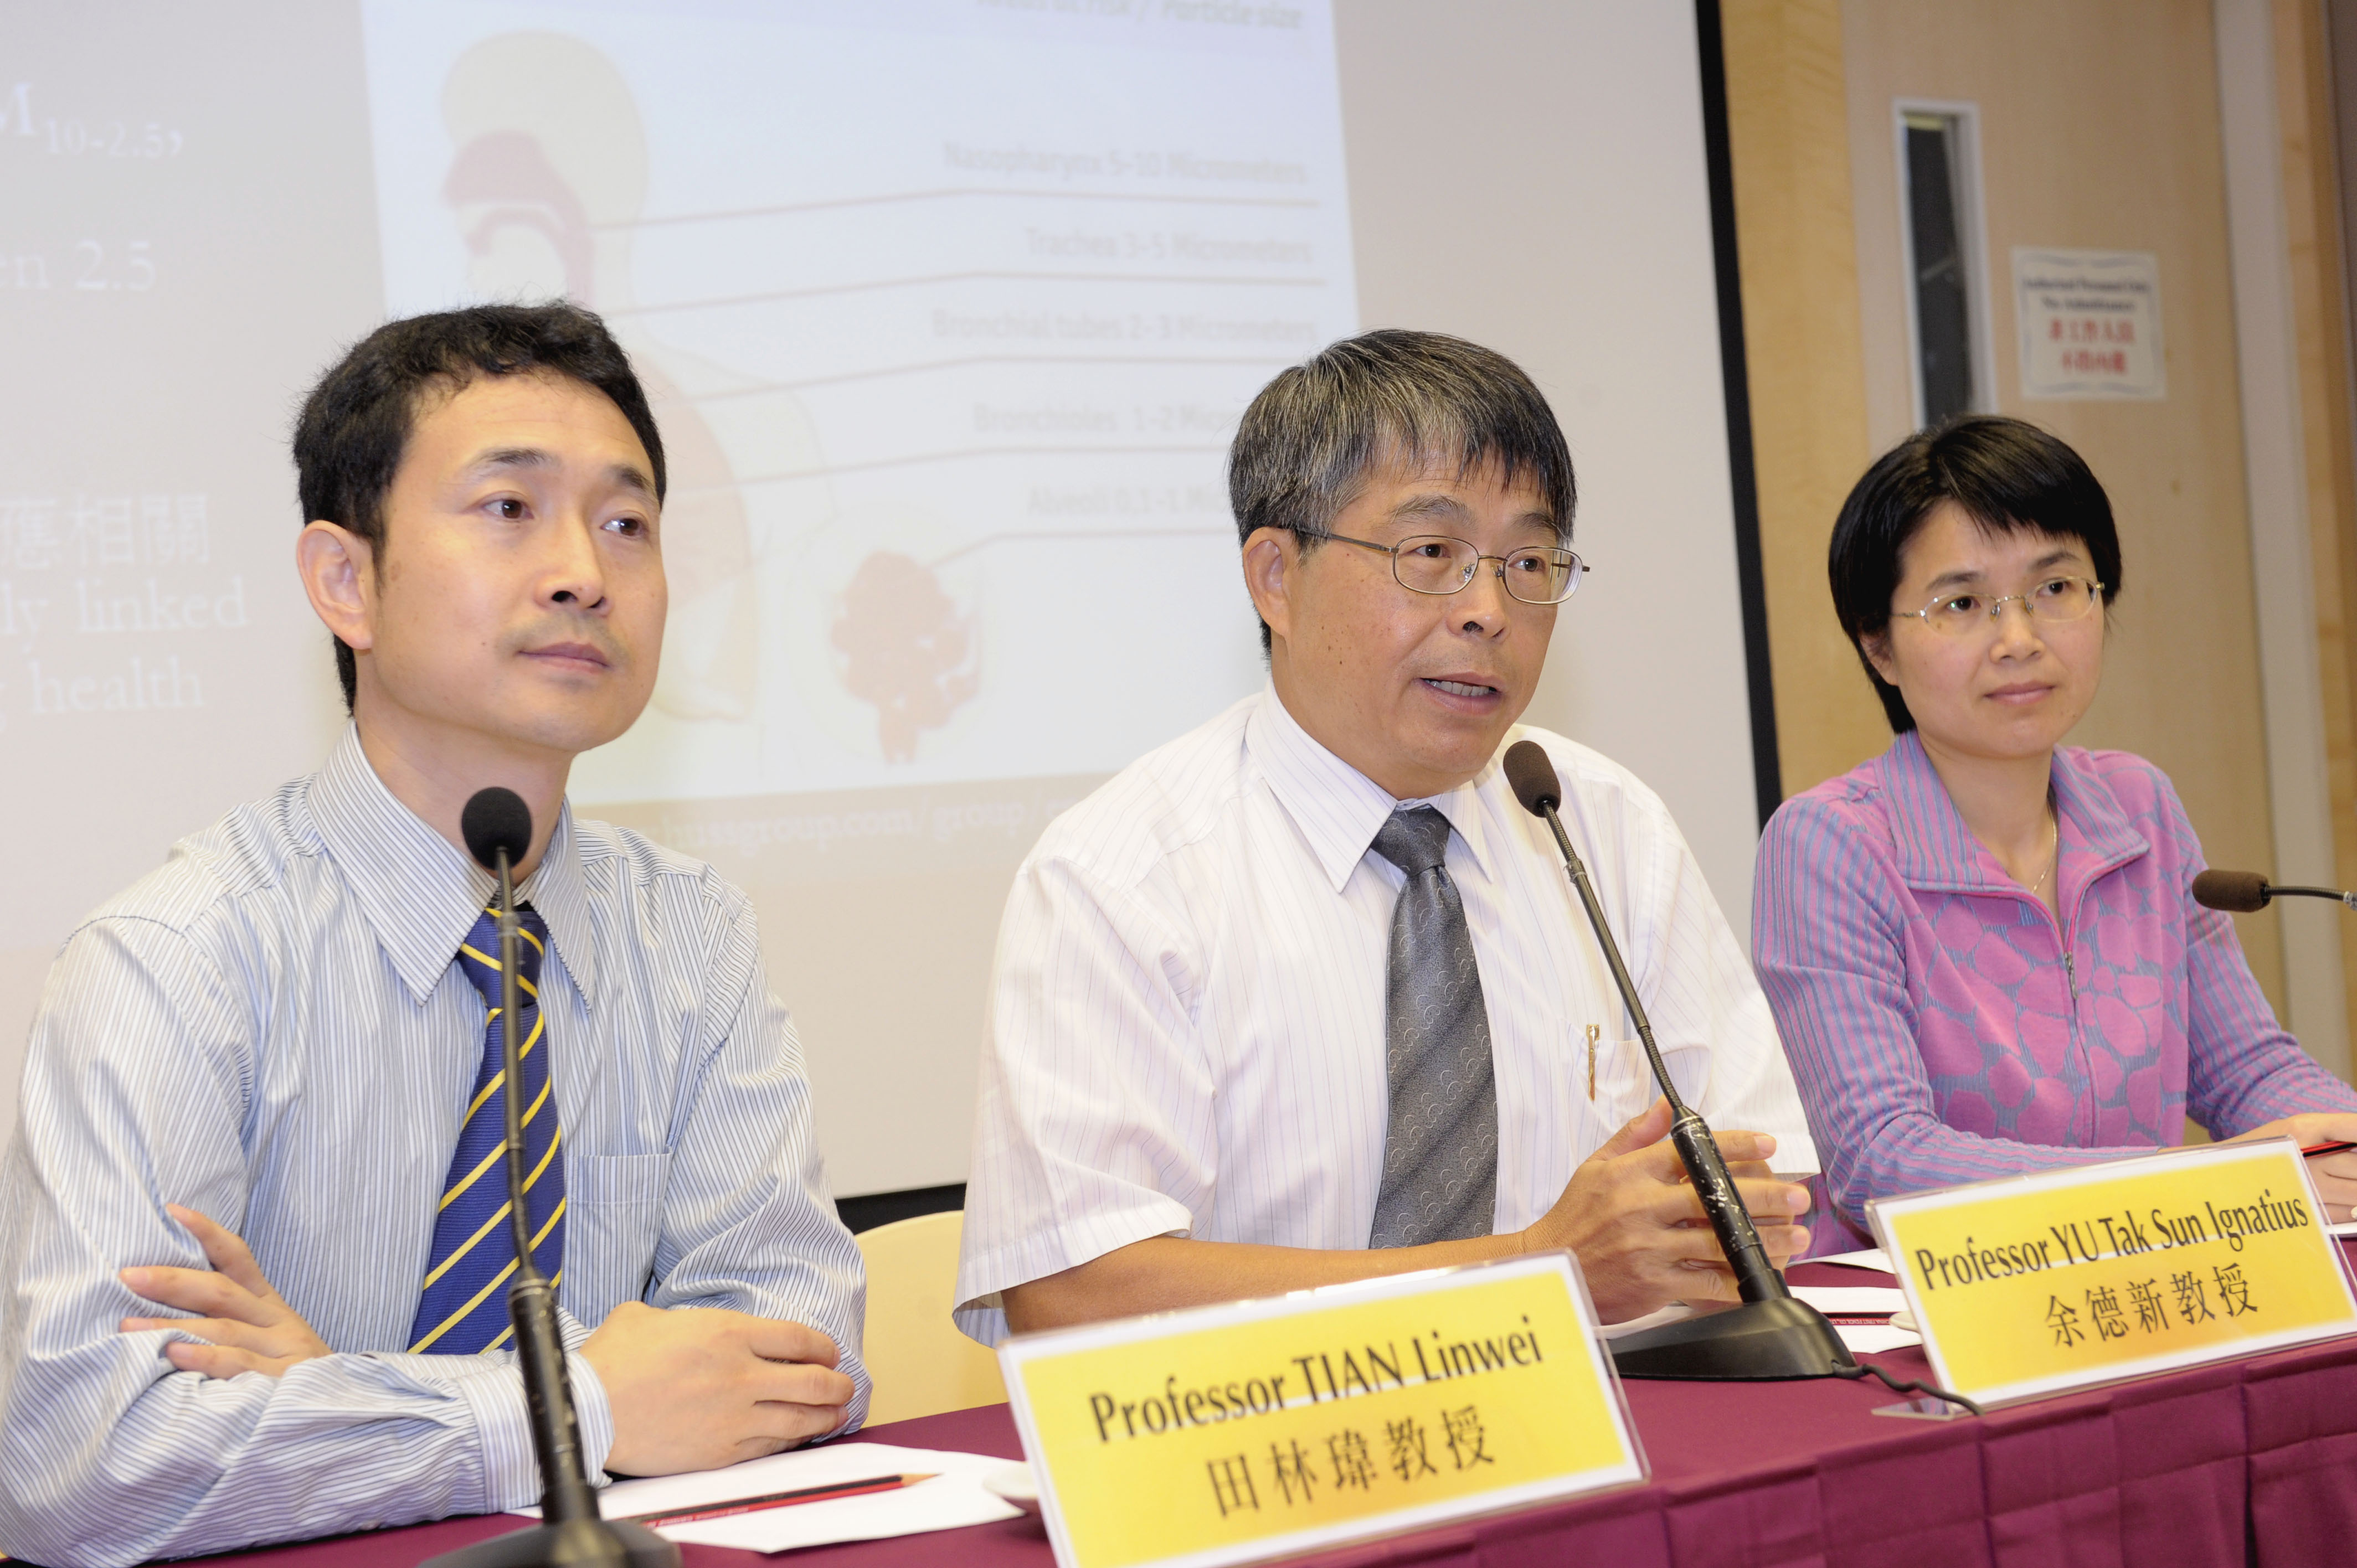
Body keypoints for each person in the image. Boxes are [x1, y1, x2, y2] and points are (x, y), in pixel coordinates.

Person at [0, 303, 868, 1568]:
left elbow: (802, 1359)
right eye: (509, 509)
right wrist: (576, 1405)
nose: (584, 568)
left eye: (626, 523)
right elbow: (85, 1464)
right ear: (346, 581)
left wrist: (339, 1385)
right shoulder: (173, 960)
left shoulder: (688, 934)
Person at [954, 329, 1818, 1342]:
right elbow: (1073, 1294)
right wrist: (1536, 1273)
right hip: (1270, 1464)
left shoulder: (1603, 824)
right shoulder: (1122, 876)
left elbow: (1767, 1182)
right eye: (1433, 556)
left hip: (1614, 1438)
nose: (1490, 611)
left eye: (1528, 562)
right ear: (1276, 577)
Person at [1753, 415, 2357, 1251]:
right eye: (1962, 603)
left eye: (2056, 588)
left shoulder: (2138, 808)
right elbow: (1881, 1158)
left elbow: (2247, 1070)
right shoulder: (1833, 846)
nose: (2020, 640)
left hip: (2146, 1284)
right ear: (1878, 646)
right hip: (1939, 1325)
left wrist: (2338, 1141)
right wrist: (2201, 1190)